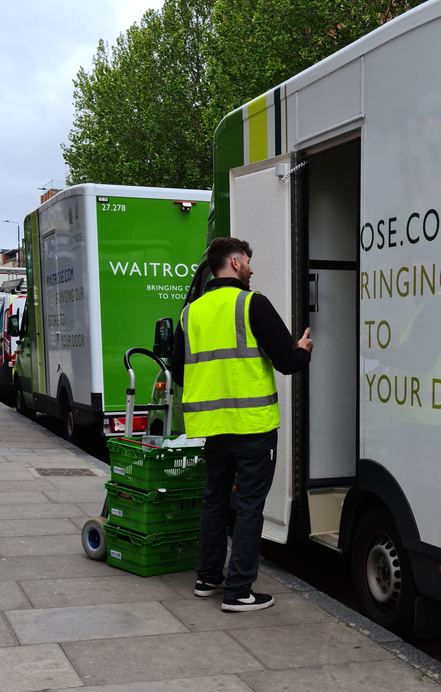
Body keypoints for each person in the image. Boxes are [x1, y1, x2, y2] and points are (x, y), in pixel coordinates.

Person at [170, 237, 312, 612]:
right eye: (248, 261)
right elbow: (287, 362)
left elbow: (181, 376)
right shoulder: (252, 303)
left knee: (215, 503)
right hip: (253, 426)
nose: (251, 268)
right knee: (249, 508)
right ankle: (238, 592)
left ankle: (208, 578)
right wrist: (303, 350)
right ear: (234, 263)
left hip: (213, 429)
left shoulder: (190, 314)